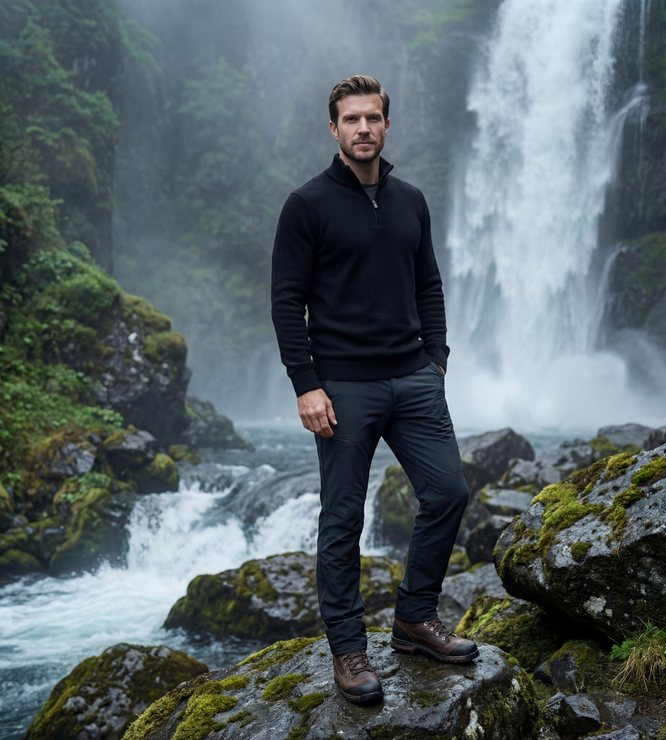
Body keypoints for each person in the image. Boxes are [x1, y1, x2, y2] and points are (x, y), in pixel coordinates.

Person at [271, 75, 477, 704]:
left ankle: (414, 618)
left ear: (387, 125)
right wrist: (307, 385)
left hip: (414, 379)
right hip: (343, 387)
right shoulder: (306, 204)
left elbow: (430, 284)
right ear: (333, 129)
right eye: (351, 119)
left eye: (373, 118)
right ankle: (349, 652)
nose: (363, 128)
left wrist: (436, 360)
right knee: (342, 520)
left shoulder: (411, 199)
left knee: (448, 492)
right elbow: (286, 301)